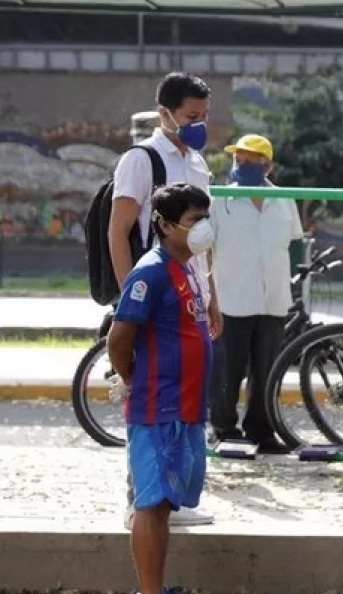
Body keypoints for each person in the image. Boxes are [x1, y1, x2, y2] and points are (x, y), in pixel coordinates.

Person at [111, 71, 220, 530]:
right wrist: (129, 299)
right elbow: (118, 230)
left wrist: (212, 296)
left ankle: (173, 498)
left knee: (185, 400)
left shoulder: (197, 163)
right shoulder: (141, 159)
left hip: (191, 295)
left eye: (204, 116)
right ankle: (143, 501)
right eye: (191, 116)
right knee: (149, 400)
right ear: (165, 113)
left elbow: (207, 239)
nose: (199, 124)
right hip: (153, 297)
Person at [106, 183, 215, 594]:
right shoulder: (149, 272)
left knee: (166, 503)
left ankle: (156, 591)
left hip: (186, 408)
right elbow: (119, 338)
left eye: (205, 218)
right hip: (158, 409)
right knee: (151, 503)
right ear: (166, 225)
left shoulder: (187, 266)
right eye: (193, 220)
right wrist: (133, 380)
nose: (203, 228)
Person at [208, 134, 303, 455]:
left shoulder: (284, 198)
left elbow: (293, 239)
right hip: (232, 298)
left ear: (268, 165)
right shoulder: (220, 200)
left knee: (267, 372)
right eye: (239, 160)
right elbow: (206, 249)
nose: (243, 165)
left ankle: (262, 432)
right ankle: (223, 428)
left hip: (273, 299)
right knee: (228, 369)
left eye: (251, 160)